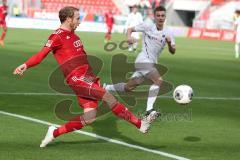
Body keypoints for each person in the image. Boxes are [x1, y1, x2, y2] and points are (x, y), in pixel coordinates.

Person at [13, 6, 154, 148]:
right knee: (109, 97)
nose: (79, 21)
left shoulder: (75, 36)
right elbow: (41, 55)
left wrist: (92, 78)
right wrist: (25, 65)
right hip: (77, 79)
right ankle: (139, 123)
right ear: (68, 19)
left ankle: (55, 132)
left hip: (88, 78)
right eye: (77, 18)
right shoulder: (57, 36)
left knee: (90, 117)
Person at [104, 6, 176, 119]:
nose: (160, 18)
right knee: (158, 81)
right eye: (158, 15)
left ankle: (106, 88)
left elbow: (173, 51)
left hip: (151, 63)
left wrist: (169, 42)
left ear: (165, 16)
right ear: (154, 16)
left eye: (162, 15)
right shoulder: (147, 26)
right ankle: (149, 111)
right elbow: (130, 29)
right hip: (142, 60)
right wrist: (128, 38)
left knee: (128, 88)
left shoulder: (169, 33)